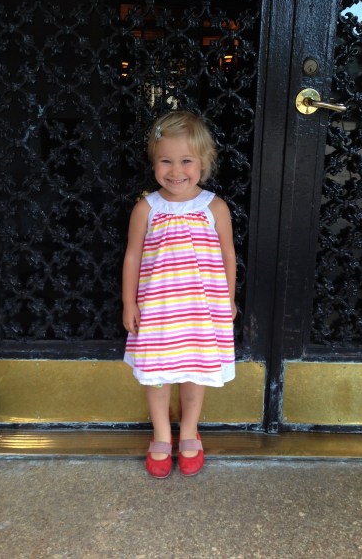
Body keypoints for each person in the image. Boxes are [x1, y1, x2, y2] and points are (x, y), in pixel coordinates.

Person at [122, 110, 236, 478]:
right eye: (165, 161)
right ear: (154, 162)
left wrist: (228, 300)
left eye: (186, 161)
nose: (176, 171)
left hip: (200, 312)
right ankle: (160, 433)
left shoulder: (214, 207)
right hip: (157, 311)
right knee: (157, 374)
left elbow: (228, 255)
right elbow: (132, 256)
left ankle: (188, 430)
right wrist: (129, 302)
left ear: (204, 162)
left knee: (194, 373)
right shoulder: (147, 208)